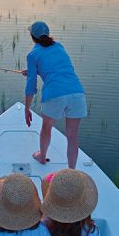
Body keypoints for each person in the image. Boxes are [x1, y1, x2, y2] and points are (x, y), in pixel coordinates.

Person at [22, 21, 87, 169]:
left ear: (32, 37)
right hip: (76, 92)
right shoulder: (59, 46)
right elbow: (58, 68)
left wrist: (27, 108)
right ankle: (71, 172)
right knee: (72, 136)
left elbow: (31, 86)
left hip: (54, 95)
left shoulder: (33, 54)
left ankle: (42, 156)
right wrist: (34, 71)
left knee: (47, 127)